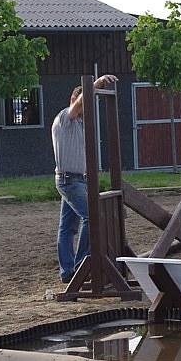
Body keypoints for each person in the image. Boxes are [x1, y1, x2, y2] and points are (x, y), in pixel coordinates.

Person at [51, 74, 118, 283]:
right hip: (69, 180)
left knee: (68, 227)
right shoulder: (65, 117)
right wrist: (95, 85)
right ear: (74, 100)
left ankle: (68, 271)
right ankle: (80, 265)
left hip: (79, 179)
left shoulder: (81, 123)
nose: (86, 109)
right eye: (84, 103)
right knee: (93, 216)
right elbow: (78, 105)